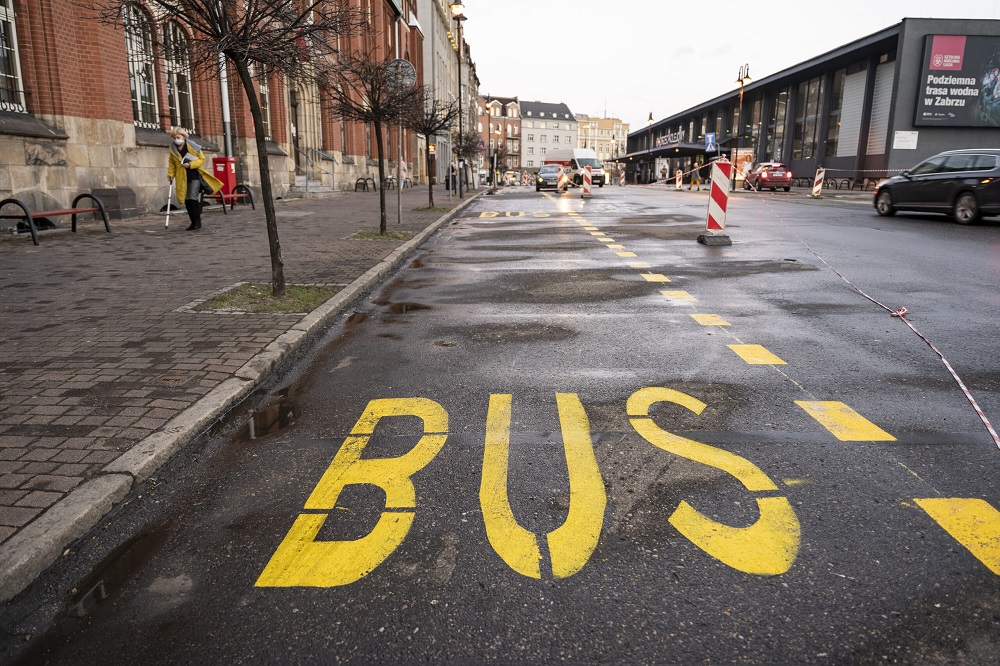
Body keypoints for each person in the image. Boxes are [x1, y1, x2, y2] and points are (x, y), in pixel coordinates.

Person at [167, 127, 223, 231]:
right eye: (174, 138)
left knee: (192, 197)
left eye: (178, 137)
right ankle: (193, 222)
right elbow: (171, 162)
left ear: (183, 137)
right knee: (187, 200)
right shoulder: (173, 149)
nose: (176, 140)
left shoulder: (193, 146)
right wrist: (170, 174)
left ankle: (197, 222)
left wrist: (190, 164)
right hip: (182, 177)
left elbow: (202, 159)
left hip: (194, 175)